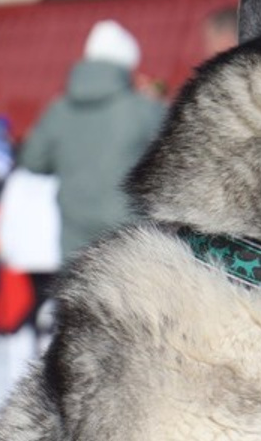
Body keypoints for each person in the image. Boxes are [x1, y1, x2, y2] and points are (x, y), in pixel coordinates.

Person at [16, 18, 164, 263]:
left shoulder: (58, 111)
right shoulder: (144, 110)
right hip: (130, 241)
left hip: (75, 242)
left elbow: (32, 160)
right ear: (126, 66)